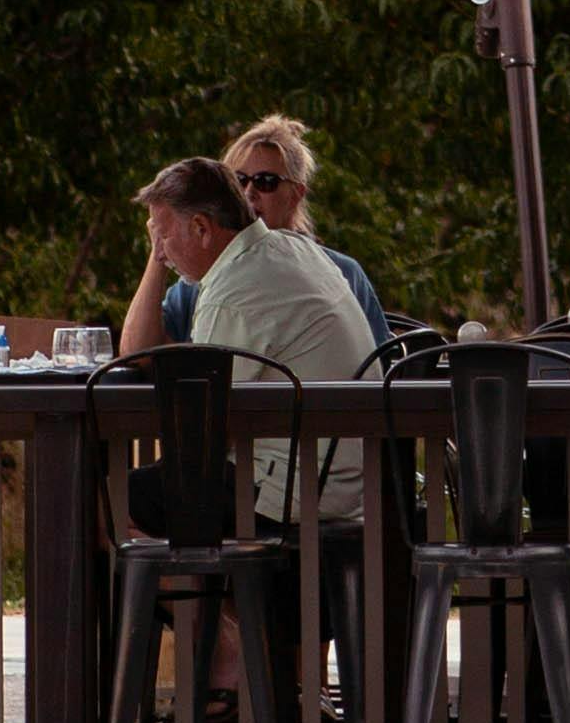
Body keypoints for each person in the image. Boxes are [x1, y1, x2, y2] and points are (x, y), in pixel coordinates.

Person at [124, 152, 373, 523]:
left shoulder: (232, 293)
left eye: (161, 237)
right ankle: (209, 578)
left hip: (299, 487)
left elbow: (202, 430)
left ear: (201, 229)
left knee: (114, 492)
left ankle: (139, 582)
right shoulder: (294, 248)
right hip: (350, 477)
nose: (160, 252)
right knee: (161, 485)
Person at [121, 110, 392, 354]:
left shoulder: (339, 271)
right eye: (238, 181)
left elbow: (375, 367)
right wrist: (161, 246)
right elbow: (137, 355)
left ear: (296, 196)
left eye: (266, 182)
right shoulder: (204, 276)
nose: (248, 192)